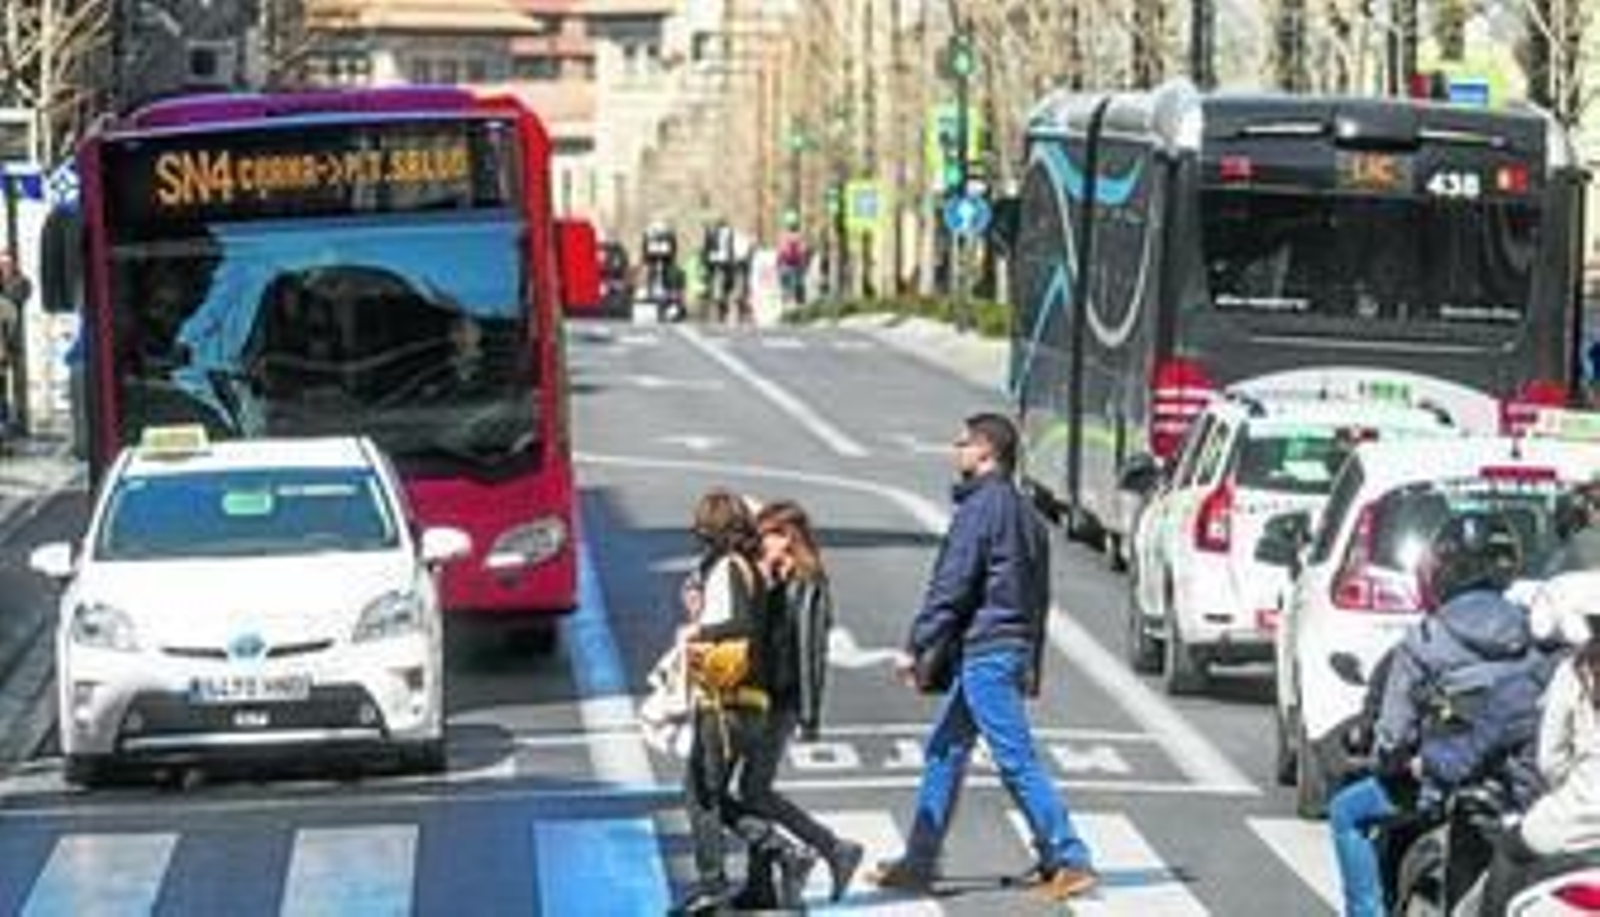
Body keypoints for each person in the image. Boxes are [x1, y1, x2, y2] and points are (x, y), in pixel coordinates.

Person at [870, 412, 1096, 902]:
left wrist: (917, 644)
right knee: (945, 750)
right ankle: (920, 860)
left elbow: (954, 582)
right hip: (1006, 646)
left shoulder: (981, 510)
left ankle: (1070, 857)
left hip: (987, 650)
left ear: (987, 453)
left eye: (964, 443)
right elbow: (1038, 594)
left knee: (1014, 759)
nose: (956, 448)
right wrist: (1029, 657)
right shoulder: (1024, 513)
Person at [1327, 511, 1547, 917]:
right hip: (1519, 785)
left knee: (1345, 811)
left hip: (1439, 783)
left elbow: (1392, 737)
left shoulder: (1425, 639)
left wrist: (1390, 759)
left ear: (1441, 571)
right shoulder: (1534, 632)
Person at [672, 490, 814, 916]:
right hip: (751, 702)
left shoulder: (728, 568)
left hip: (726, 698)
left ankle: (717, 884)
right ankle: (778, 853)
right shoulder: (750, 569)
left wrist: (698, 629)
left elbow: (737, 625)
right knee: (712, 793)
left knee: (701, 794)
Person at [728, 501, 865, 908]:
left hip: (781, 699)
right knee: (753, 790)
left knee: (754, 789)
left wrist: (809, 714)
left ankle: (830, 847)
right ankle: (762, 884)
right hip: (760, 695)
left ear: (786, 537)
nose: (759, 543)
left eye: (766, 534)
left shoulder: (809, 583)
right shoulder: (773, 577)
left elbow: (810, 651)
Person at [1480, 565, 1600, 911]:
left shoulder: (1575, 672)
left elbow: (1550, 760)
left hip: (1574, 822)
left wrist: (1574, 783)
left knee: (1508, 851)